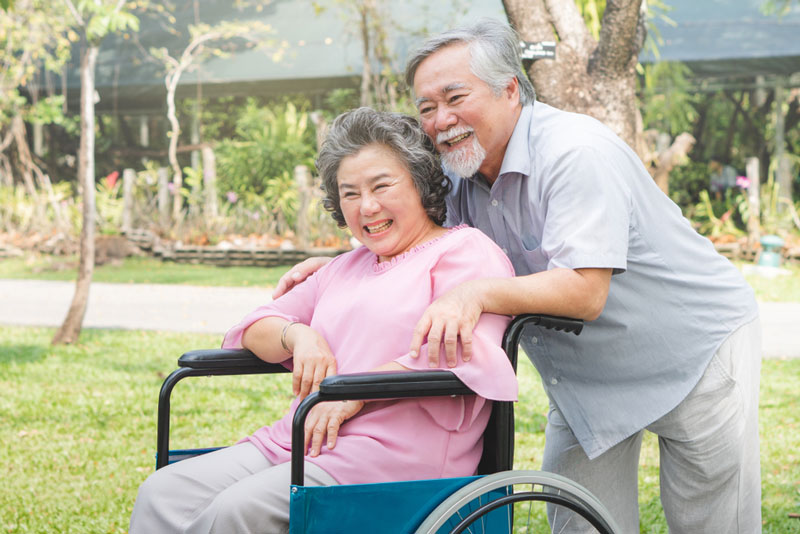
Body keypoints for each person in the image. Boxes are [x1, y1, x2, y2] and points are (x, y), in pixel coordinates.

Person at [274, 19, 762, 534]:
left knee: (713, 523)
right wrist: (339, 264)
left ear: (510, 89)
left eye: (455, 97)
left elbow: (584, 289)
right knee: (579, 522)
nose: (441, 120)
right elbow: (412, 239)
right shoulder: (458, 172)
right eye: (426, 108)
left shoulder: (576, 152)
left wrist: (475, 294)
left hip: (693, 353)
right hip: (586, 380)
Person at [129, 107, 517, 534]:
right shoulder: (344, 267)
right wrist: (299, 336)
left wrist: (349, 396)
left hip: (396, 456)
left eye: (381, 186)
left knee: (240, 509)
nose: (367, 207)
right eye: (350, 193)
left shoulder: (464, 252)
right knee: (163, 492)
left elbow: (465, 357)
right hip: (304, 440)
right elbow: (254, 327)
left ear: (419, 182)